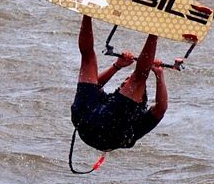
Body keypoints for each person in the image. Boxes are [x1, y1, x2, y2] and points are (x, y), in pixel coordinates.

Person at [71, 15, 168, 153]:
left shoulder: (136, 112)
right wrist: (116, 66)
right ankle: (87, 13)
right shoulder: (108, 101)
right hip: (85, 120)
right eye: (125, 82)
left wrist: (159, 75)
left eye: (125, 81)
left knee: (139, 76)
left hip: (105, 131)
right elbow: (95, 85)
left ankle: (155, 31)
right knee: (88, 57)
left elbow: (161, 108)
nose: (125, 81)